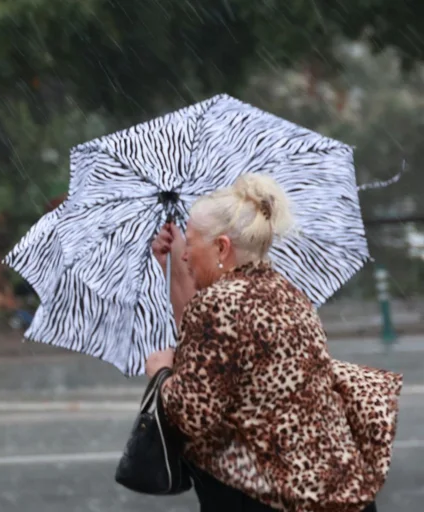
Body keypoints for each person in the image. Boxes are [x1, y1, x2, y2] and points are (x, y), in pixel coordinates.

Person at [145, 174, 401, 512]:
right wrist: (177, 264)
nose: (187, 256)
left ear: (222, 247)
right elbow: (198, 343)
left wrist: (160, 374)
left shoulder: (219, 304)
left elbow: (193, 414)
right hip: (334, 488)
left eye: (191, 245)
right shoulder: (286, 292)